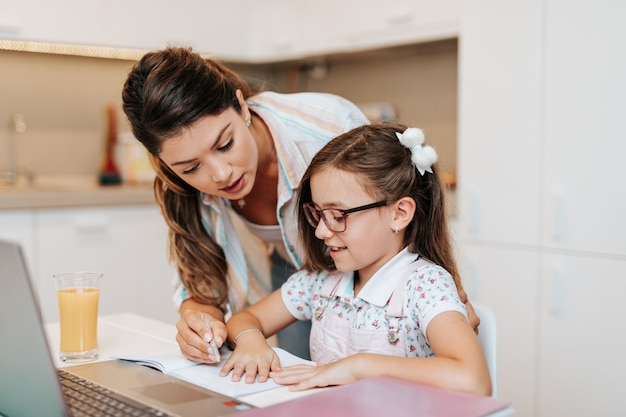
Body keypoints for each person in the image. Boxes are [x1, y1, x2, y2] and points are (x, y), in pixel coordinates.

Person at [121, 46, 479, 364]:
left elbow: (394, 204)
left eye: (225, 144)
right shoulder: (309, 284)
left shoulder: (326, 126)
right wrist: (201, 322)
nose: (219, 174)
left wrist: (449, 290)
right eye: (191, 168)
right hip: (309, 279)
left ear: (241, 106)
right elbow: (204, 290)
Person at [220, 123, 491, 397]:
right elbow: (246, 318)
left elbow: (472, 380)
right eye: (318, 213)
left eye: (338, 216)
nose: (321, 231)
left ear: (399, 214)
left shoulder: (424, 285)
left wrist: (359, 366)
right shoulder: (322, 280)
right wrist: (250, 340)